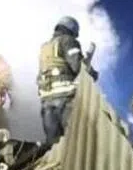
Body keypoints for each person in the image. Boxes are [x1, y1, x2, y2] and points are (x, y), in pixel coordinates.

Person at [37, 16, 95, 144]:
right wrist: (93, 74)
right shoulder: (68, 41)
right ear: (72, 30)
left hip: (46, 100)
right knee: (75, 141)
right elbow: (78, 66)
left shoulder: (45, 47)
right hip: (65, 99)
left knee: (54, 143)